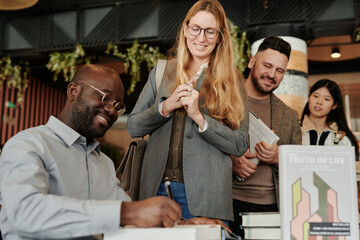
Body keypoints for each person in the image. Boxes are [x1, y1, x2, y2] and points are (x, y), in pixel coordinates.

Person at [0, 64, 183, 240]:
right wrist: (125, 213)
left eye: (118, 105)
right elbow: (23, 211)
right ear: (73, 91)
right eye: (105, 97)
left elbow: (133, 213)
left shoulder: (104, 163)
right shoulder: (28, 144)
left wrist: (182, 223)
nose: (112, 110)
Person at [126, 0, 248, 222]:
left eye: (210, 32)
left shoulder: (232, 81)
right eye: (195, 29)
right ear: (185, 29)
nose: (201, 38)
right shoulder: (162, 71)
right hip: (155, 191)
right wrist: (166, 106)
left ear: (220, 36)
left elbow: (240, 144)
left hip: (206, 198)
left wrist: (200, 119)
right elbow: (133, 127)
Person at [230, 36, 302, 235]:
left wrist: (280, 157)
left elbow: (299, 167)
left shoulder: (290, 116)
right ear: (252, 62)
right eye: (267, 65)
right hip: (227, 203)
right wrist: (231, 159)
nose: (272, 74)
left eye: (280, 70)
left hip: (274, 209)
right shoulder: (224, 101)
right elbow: (200, 145)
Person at [300, 79, 359, 160]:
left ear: (334, 105)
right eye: (316, 96)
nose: (319, 102)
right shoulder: (294, 131)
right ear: (308, 98)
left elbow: (352, 169)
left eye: (326, 99)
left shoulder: (343, 140)